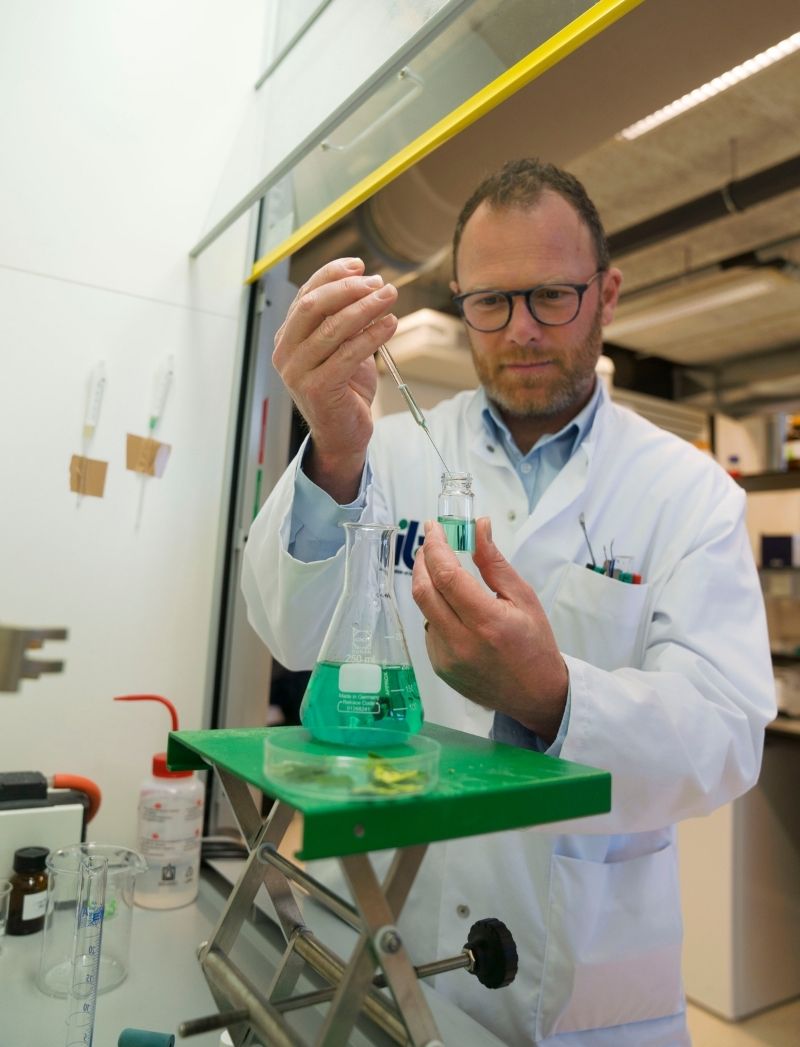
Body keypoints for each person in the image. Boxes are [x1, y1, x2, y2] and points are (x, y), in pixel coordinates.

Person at [241, 158, 775, 1045]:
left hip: (585, 986)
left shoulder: (688, 492)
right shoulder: (389, 450)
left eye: (551, 298)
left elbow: (723, 736)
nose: (520, 329)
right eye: (491, 302)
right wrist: (332, 451)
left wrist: (551, 692)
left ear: (606, 293)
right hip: (385, 929)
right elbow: (293, 633)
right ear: (459, 300)